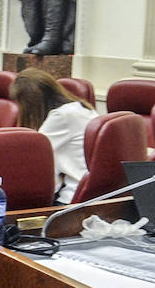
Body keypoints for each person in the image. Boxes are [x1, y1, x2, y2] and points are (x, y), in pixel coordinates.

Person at [10, 68, 95, 203]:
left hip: (70, 198)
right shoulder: (80, 108)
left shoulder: (61, 117)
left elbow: (33, 158)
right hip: (88, 192)